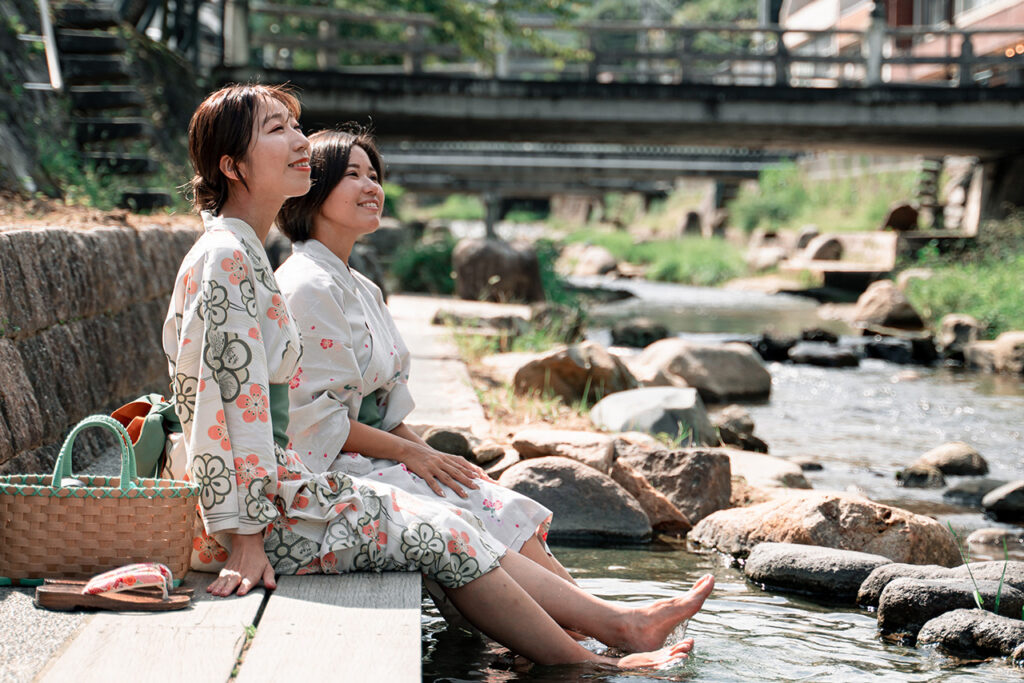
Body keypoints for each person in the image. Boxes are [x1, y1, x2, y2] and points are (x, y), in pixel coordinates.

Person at [163, 83, 713, 669]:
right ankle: (594, 660)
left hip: (279, 491)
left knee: (452, 514)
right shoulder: (230, 257)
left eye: (296, 127)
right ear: (231, 165)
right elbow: (223, 410)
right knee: (445, 529)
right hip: (261, 514)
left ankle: (606, 634)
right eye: (277, 130)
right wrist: (245, 542)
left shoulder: (243, 252)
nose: (301, 141)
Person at [274, 126, 571, 585]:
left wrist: (436, 460)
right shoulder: (308, 284)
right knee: (468, 514)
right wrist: (413, 456)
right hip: (327, 470)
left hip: (367, 453)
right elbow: (316, 424)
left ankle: (589, 628)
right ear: (312, 190)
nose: (372, 187)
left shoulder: (361, 285)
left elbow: (386, 412)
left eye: (374, 175)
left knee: (491, 497)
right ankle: (594, 632)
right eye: (352, 174)